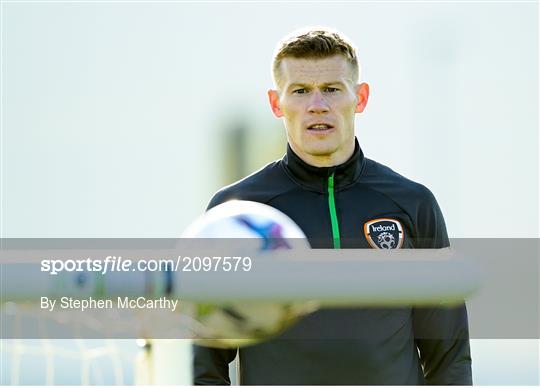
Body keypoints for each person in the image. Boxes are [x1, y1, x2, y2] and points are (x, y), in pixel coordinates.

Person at [193, 28, 472, 385]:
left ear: (360, 97)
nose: (317, 105)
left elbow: (449, 356)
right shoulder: (238, 212)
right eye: (300, 91)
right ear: (276, 103)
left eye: (331, 89)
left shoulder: (412, 203)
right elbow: (204, 362)